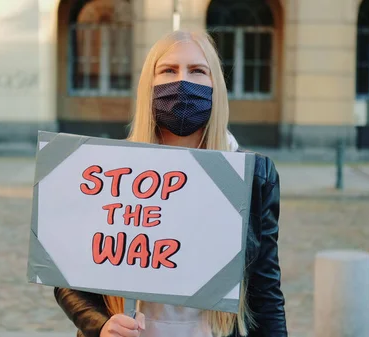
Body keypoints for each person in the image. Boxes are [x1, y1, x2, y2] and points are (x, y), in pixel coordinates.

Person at [54, 29, 287, 337]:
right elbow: (67, 274)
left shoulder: (253, 176)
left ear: (215, 84)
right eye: (168, 70)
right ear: (149, 84)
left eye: (197, 71)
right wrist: (101, 324)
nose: (182, 82)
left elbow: (264, 289)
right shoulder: (111, 173)